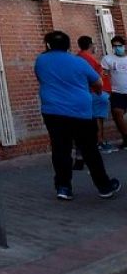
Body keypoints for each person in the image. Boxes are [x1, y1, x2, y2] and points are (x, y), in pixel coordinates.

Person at [34, 30, 120, 201]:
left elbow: (41, 78)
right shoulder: (78, 62)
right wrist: (94, 90)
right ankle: (104, 186)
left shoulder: (41, 61)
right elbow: (98, 82)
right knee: (90, 150)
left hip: (53, 112)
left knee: (60, 150)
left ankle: (63, 187)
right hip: (80, 112)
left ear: (48, 45)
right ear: (68, 45)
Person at [78, 35, 110, 153]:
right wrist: (99, 91)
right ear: (91, 45)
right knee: (97, 118)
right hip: (94, 92)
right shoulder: (87, 59)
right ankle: (99, 142)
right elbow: (93, 77)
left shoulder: (81, 57)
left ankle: (98, 141)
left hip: (90, 92)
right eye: (94, 44)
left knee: (95, 117)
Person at [101, 35, 127, 149]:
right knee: (117, 114)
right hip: (117, 92)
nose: (117, 48)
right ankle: (126, 138)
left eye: (119, 46)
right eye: (115, 46)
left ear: (124, 46)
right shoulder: (108, 59)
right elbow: (104, 75)